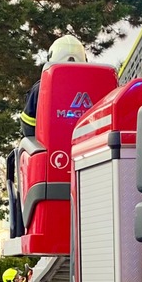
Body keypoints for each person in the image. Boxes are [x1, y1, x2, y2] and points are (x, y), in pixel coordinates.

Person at [8, 34, 88, 237]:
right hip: (90, 166)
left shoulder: (41, 87)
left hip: (50, 172)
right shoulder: (98, 83)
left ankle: (26, 225)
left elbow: (27, 128)